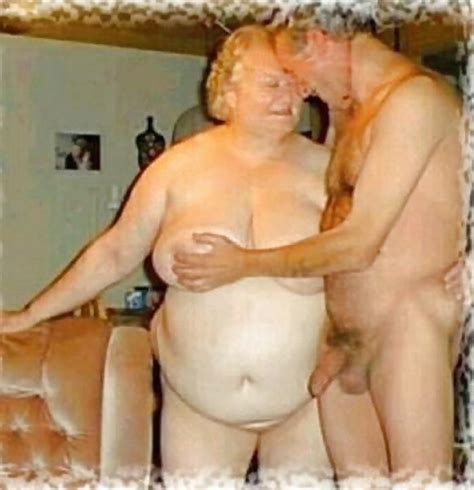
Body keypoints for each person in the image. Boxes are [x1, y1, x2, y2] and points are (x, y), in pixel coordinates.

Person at [1, 25, 343, 486]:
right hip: (198, 408)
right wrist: (31, 314)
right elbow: (114, 251)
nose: (289, 97)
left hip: (306, 405)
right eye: (272, 83)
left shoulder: (329, 171)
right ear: (230, 88)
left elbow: (365, 259)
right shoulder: (176, 167)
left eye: (295, 83)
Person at [172, 26, 465, 482]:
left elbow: (359, 244)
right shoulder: (346, 115)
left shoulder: (415, 100)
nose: (301, 92)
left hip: (406, 325)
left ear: (318, 39)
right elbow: (328, 218)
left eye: (296, 75)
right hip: (343, 342)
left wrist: (244, 264)